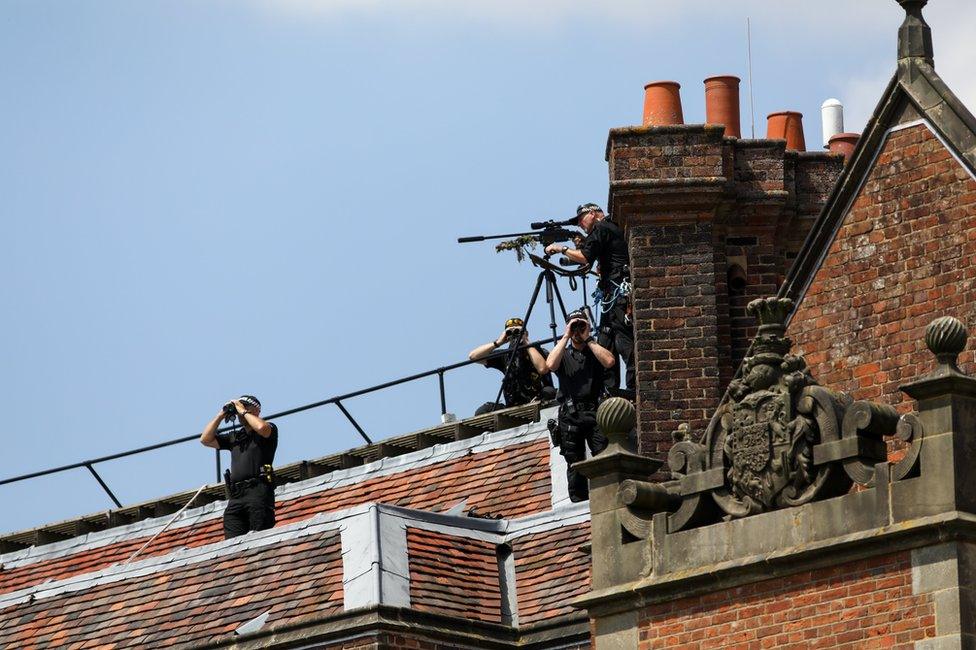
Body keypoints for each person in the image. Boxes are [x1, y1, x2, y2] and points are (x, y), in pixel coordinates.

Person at [545, 203, 634, 392]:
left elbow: (586, 257)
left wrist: (560, 248)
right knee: (606, 340)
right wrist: (580, 243)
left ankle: (634, 388)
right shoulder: (610, 226)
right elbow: (593, 254)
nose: (580, 225)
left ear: (592, 213)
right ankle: (610, 391)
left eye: (581, 220)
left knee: (623, 342)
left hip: (618, 296)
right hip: (612, 297)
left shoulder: (601, 227)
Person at [546, 310, 616, 502]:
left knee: (603, 457)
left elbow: (609, 361)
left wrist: (589, 339)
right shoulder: (564, 353)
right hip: (571, 415)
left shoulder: (594, 350)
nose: (578, 330)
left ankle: (606, 499)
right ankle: (579, 506)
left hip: (595, 411)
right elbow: (550, 364)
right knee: (575, 463)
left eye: (581, 325)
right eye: (574, 325)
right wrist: (566, 335)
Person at [200, 395, 279, 539]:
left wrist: (242, 411)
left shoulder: (269, 428)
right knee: (231, 543)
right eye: (239, 408)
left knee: (259, 538)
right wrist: (221, 414)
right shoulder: (235, 437)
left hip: (258, 492)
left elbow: (261, 427)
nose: (239, 411)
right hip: (236, 496)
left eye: (245, 406)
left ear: (256, 410)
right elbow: (205, 439)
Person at [469, 317, 553, 415]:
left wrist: (526, 341)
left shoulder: (537, 351)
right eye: (510, 332)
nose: (515, 335)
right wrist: (498, 342)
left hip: (538, 398)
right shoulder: (506, 355)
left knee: (550, 391)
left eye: (517, 331)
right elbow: (473, 356)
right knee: (482, 411)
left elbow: (543, 369)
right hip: (513, 404)